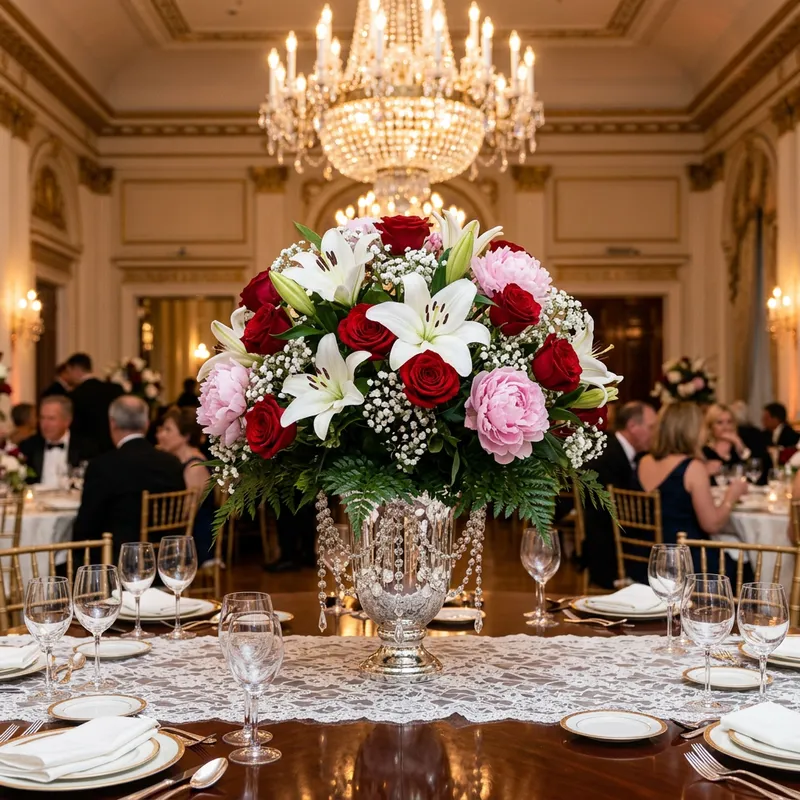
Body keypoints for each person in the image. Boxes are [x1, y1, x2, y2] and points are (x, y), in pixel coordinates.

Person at [635, 402, 751, 578]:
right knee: (746, 565)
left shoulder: (644, 461)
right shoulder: (692, 468)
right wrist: (731, 496)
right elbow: (711, 524)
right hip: (686, 563)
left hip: (646, 558)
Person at [74, 396, 185, 558]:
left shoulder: (103, 466)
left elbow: (86, 527)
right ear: (146, 424)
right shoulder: (171, 463)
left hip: (119, 559)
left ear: (112, 423)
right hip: (167, 556)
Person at [581, 401, 658, 589]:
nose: (655, 433)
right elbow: (615, 513)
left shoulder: (616, 448)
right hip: (611, 553)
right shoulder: (608, 457)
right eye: (651, 427)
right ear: (632, 426)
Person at [156, 407, 214, 563]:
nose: (161, 435)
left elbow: (186, 514)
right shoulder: (176, 462)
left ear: (186, 436)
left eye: (168, 430)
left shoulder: (195, 466)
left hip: (193, 544)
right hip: (179, 537)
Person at [18, 396, 97, 486]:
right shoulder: (28, 446)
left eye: (51, 418)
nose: (45, 424)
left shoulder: (86, 448)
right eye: (42, 418)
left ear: (67, 421)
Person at [65, 353, 124, 453]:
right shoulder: (115, 389)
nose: (68, 376)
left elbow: (74, 428)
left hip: (87, 451)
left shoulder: (74, 396)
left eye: (69, 371)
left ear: (76, 369)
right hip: (115, 448)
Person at [703, 404, 752, 469]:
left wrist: (738, 442)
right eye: (720, 422)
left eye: (729, 422)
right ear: (710, 427)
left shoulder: (740, 444)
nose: (725, 427)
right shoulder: (704, 451)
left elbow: (752, 468)